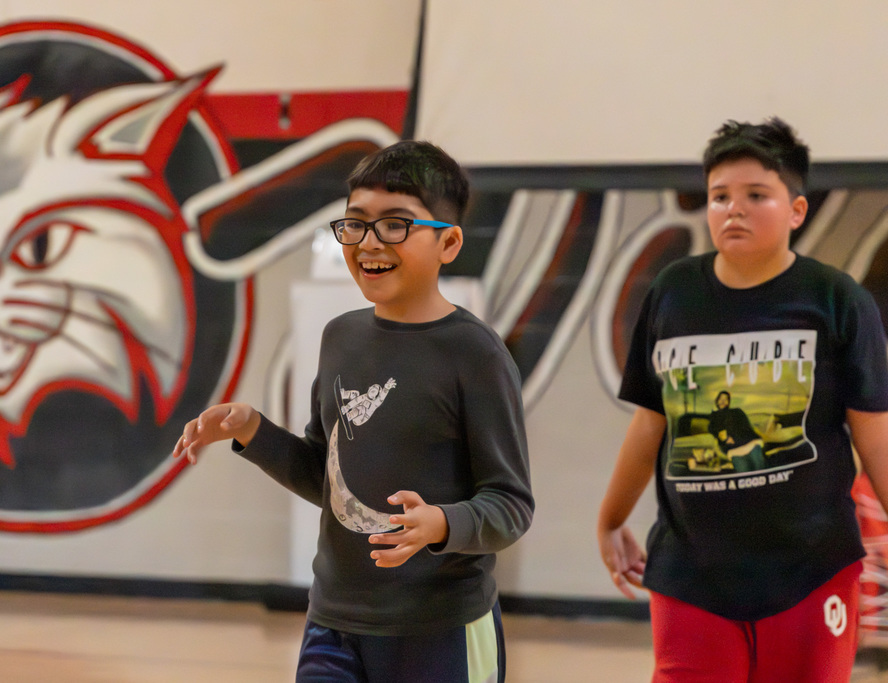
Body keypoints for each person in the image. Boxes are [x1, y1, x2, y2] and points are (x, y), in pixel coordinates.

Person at [174, 140, 534, 682]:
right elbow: (331, 481)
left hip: (440, 629)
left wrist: (440, 523)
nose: (370, 242)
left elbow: (511, 505)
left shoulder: (476, 354)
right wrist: (253, 431)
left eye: (396, 225)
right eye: (356, 223)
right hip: (334, 623)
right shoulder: (340, 337)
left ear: (449, 242)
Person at [597, 117, 888, 682]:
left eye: (757, 195)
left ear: (796, 211)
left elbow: (874, 434)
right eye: (719, 196)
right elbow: (649, 422)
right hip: (691, 574)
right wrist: (610, 518)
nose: (734, 208)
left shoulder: (837, 300)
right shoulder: (672, 293)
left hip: (812, 571)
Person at [706, 390, 764, 473]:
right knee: (744, 476)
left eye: (725, 399)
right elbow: (714, 430)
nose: (723, 401)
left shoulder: (737, 411)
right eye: (720, 399)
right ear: (717, 401)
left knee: (761, 471)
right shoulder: (714, 418)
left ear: (728, 402)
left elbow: (747, 427)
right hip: (734, 450)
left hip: (751, 443)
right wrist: (725, 439)